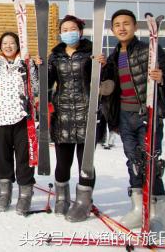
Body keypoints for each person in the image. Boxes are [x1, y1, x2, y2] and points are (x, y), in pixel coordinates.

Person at [102, 9, 165, 232]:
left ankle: (157, 209)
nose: (122, 28)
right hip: (125, 117)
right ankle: (138, 208)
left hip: (148, 114)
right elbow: (110, 88)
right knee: (133, 162)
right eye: (117, 24)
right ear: (113, 29)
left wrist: (162, 78)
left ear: (135, 27)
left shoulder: (150, 50)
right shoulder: (114, 57)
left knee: (151, 161)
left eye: (126, 23)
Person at [47, 15, 105, 222]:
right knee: (62, 163)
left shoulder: (92, 53)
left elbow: (104, 82)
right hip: (62, 115)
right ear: (60, 32)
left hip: (87, 114)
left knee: (85, 163)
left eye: (73, 28)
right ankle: (62, 198)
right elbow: (47, 83)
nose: (69, 31)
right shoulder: (54, 56)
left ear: (80, 31)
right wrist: (41, 68)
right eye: (65, 28)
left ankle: (83, 202)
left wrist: (103, 65)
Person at [0, 32, 38, 215]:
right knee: (2, 157)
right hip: (0, 119)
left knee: (24, 157)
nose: (8, 46)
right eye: (5, 43)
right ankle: (4, 193)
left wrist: (31, 65)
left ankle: (25, 195)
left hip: (23, 118)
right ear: (0, 46)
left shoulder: (25, 63)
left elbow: (36, 87)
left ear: (18, 45)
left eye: (12, 43)